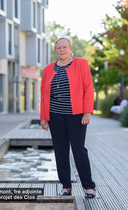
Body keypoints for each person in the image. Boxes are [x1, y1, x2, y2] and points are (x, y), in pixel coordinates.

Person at [40, 37, 96, 198]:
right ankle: (66, 186)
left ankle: (89, 186)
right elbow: (44, 95)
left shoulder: (81, 64)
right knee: (60, 151)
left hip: (76, 115)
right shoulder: (48, 69)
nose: (62, 50)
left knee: (79, 150)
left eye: (65, 47)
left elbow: (88, 88)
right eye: (58, 48)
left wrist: (87, 112)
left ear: (71, 49)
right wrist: (44, 117)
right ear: (55, 51)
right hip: (55, 116)